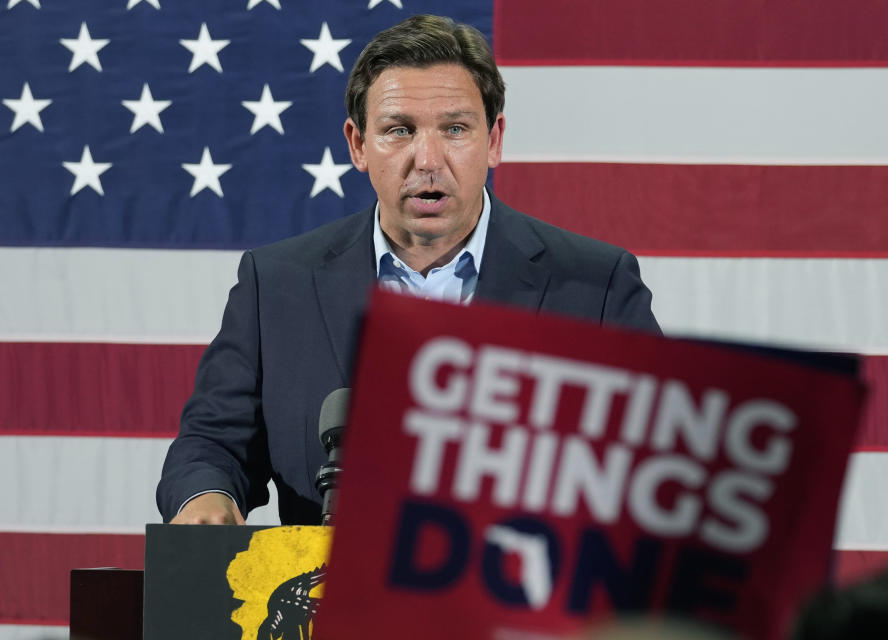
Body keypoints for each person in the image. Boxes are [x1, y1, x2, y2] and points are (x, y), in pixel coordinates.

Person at [157, 14, 660, 525]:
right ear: (357, 144)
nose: (428, 159)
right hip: (326, 596)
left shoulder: (596, 288)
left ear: (494, 140)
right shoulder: (277, 284)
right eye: (400, 130)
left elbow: (655, 467)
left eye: (455, 129)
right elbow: (212, 446)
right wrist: (207, 499)